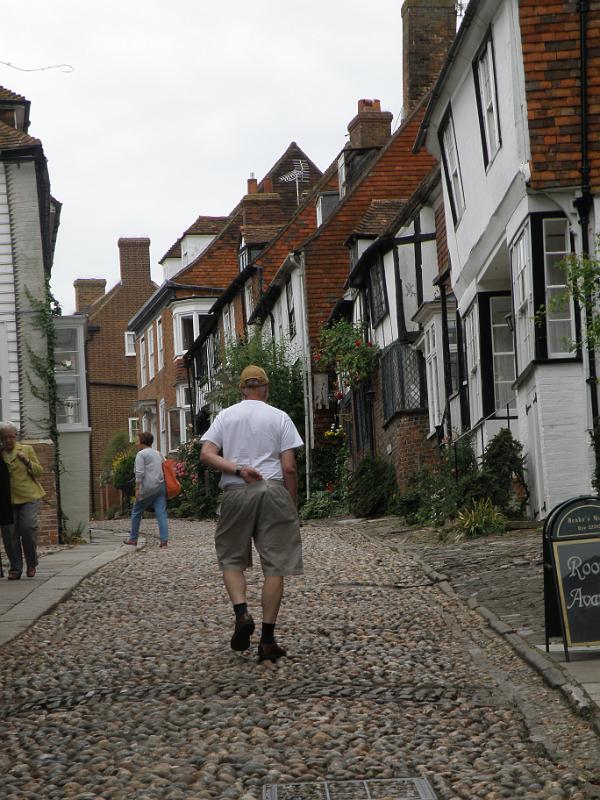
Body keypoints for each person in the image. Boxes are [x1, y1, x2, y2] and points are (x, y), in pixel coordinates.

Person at [200, 364, 304, 663]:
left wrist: (237, 469)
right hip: (272, 491)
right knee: (276, 566)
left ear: (242, 389)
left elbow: (206, 454)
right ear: (266, 388)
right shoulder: (280, 417)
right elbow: (289, 467)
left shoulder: (225, 416)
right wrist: (291, 504)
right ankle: (268, 641)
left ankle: (241, 611)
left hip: (236, 491)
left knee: (231, 558)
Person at [0, 421, 45, 580]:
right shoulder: (0, 454)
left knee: (28, 529)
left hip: (28, 496)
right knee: (9, 535)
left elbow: (39, 472)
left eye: (11, 437)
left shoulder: (26, 449)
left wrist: (27, 461)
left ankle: (31, 563)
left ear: (16, 436)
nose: (8, 440)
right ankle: (15, 567)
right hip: (7, 500)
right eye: (4, 437)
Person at [125, 431, 169, 548]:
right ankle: (164, 540)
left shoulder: (141, 454)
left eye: (137, 440)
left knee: (136, 512)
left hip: (148, 488)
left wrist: (137, 488)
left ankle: (133, 539)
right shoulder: (158, 453)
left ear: (142, 442)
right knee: (161, 513)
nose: (136, 443)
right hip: (161, 487)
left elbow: (139, 473)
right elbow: (165, 467)